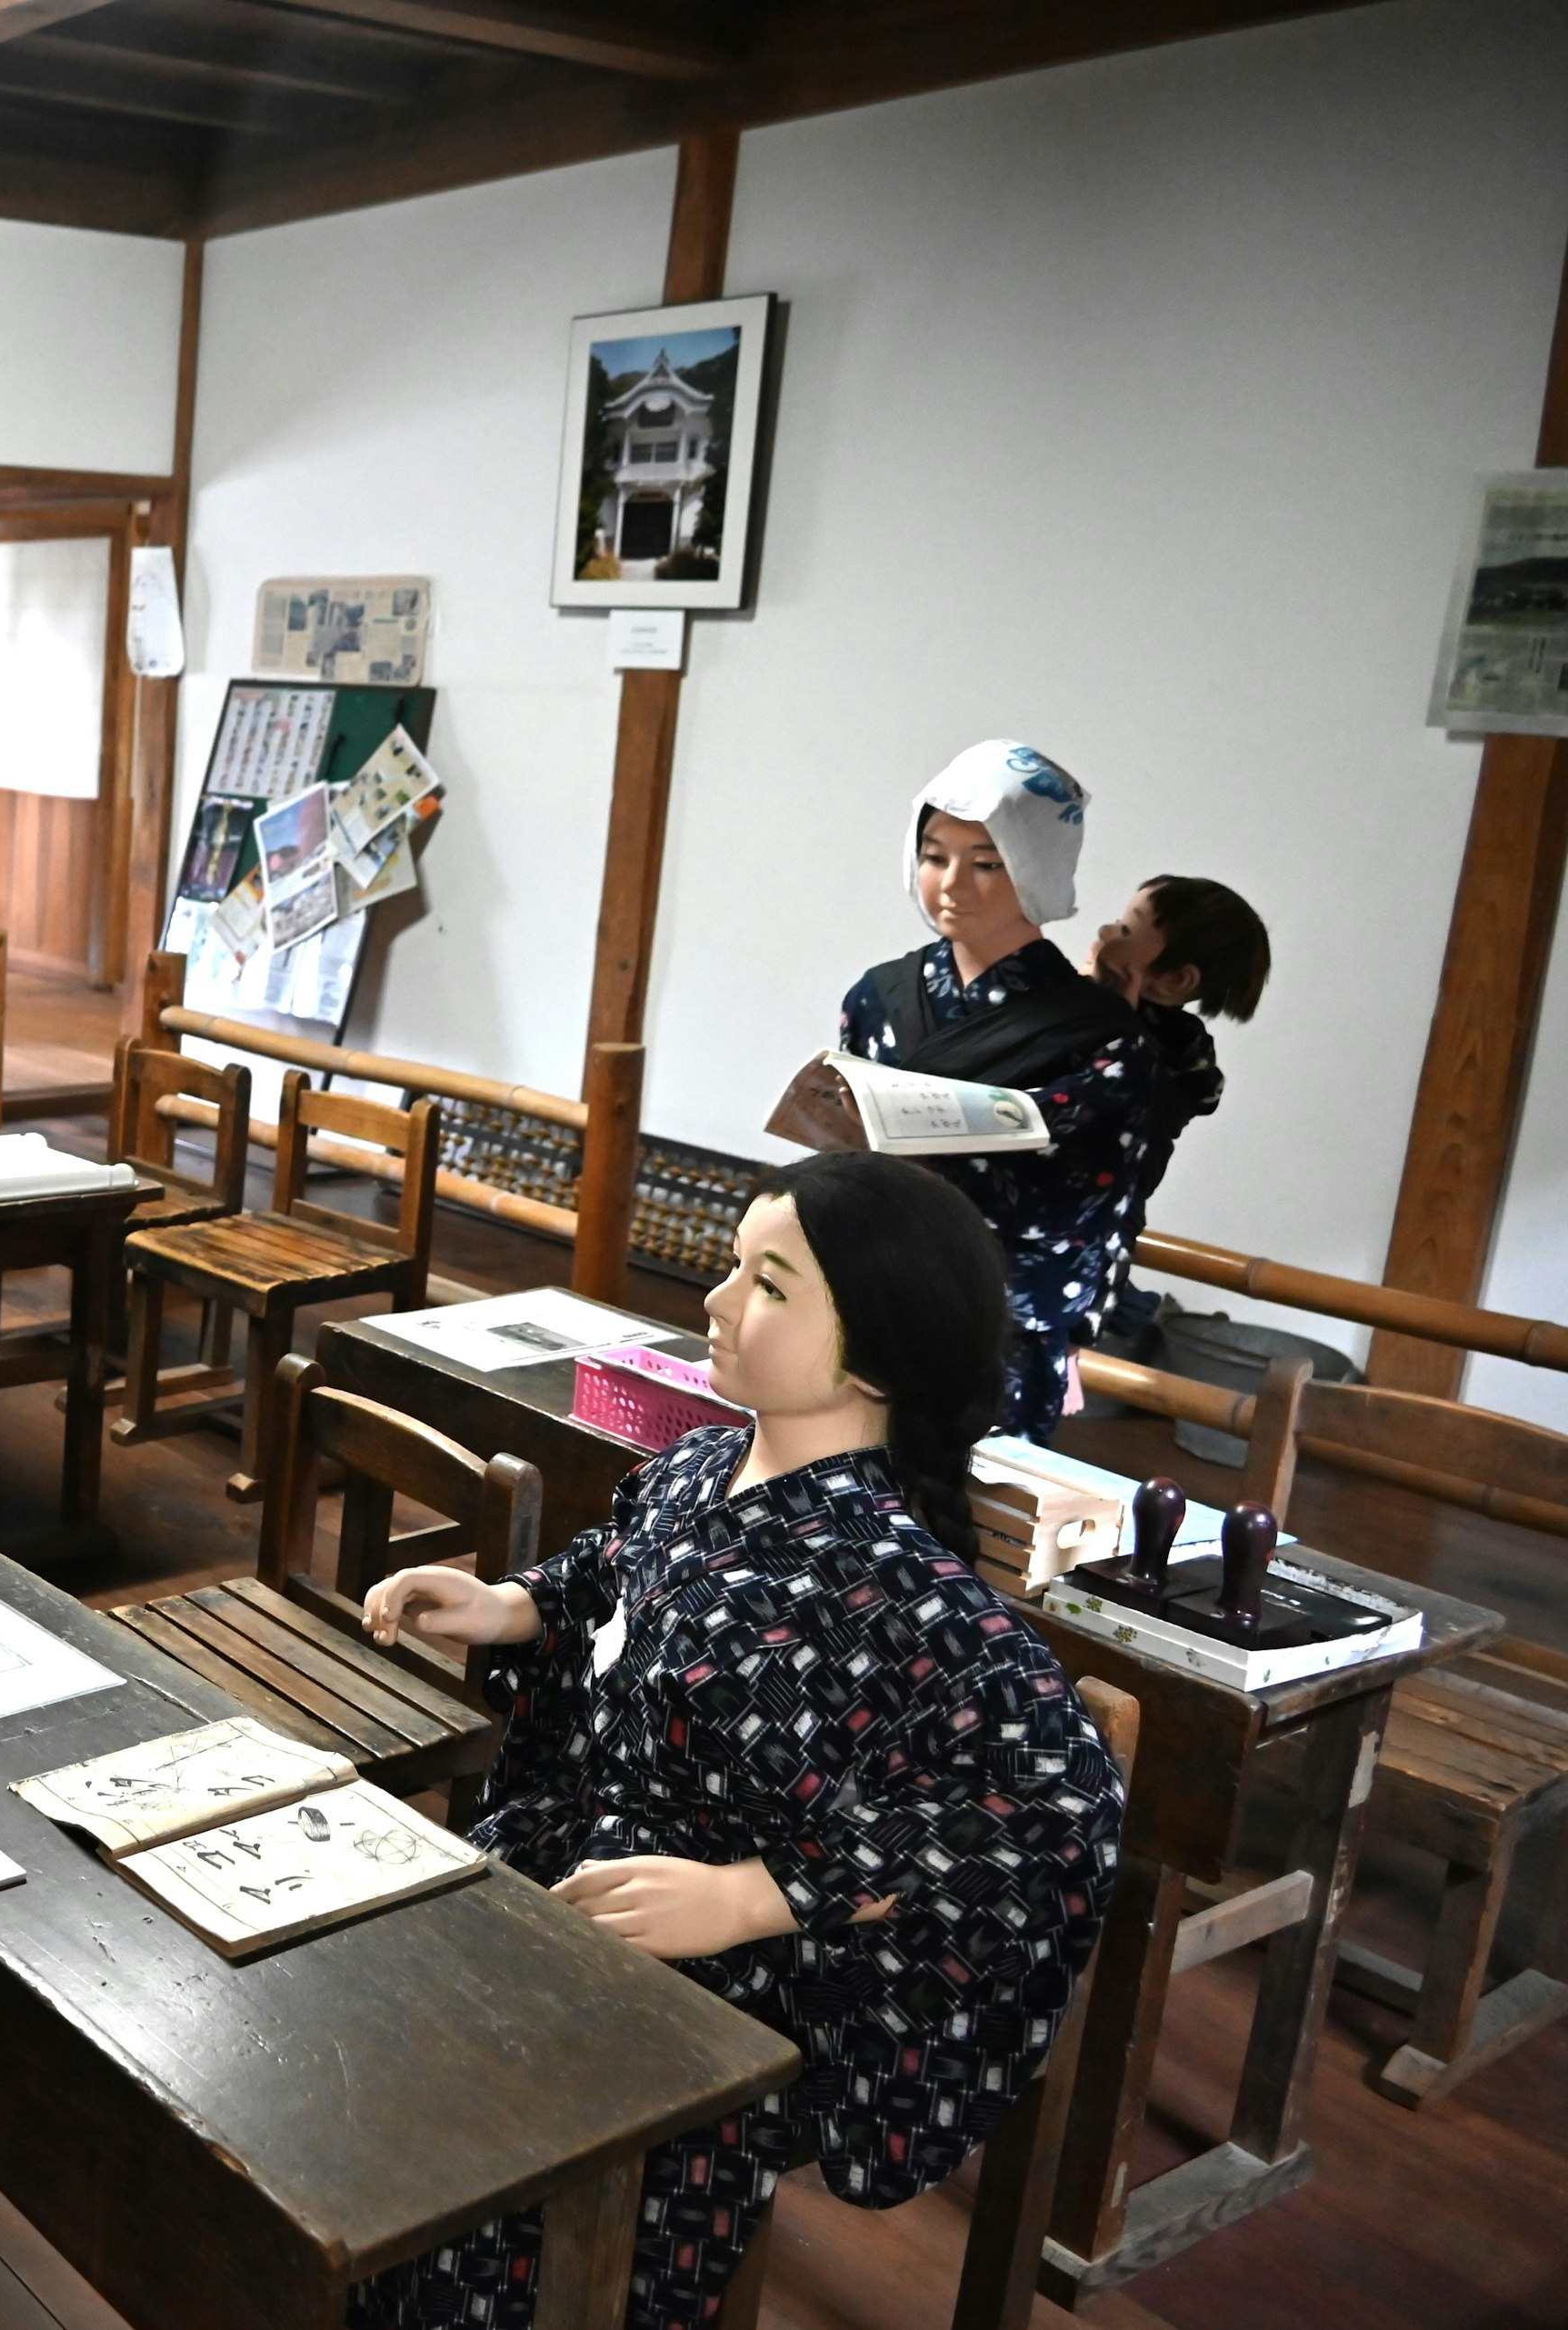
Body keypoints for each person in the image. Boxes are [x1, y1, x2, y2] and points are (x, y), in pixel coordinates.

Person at [345, 1153, 1125, 2330]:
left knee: (524, 2232)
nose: (714, 1299)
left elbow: (1053, 1799)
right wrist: (511, 1604)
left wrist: (759, 1895)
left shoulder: (897, 1580)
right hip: (567, 1879)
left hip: (710, 1985)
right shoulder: (705, 1462)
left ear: (871, 1352)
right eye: (734, 1265)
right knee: (384, 2110)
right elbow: (620, 1572)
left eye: (766, 1283)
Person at [837, 741, 1155, 1441]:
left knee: (972, 1518)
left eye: (987, 863)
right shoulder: (879, 995)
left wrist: (938, 1174)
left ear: (1038, 865)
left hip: (999, 1318)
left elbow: (1085, 1199)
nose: (952, 883)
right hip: (871, 1295)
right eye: (933, 855)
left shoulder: (1099, 1035)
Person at [1087, 875, 1272, 1343]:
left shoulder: (1179, 1038)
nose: (1107, 934)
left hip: (1110, 1195)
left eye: (1127, 931)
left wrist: (1117, 1019)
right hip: (1052, 1185)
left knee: (1095, 1289)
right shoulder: (1080, 1002)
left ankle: (1159, 1329)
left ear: (1173, 981)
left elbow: (1195, 1098)